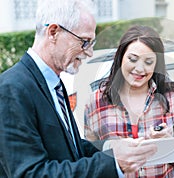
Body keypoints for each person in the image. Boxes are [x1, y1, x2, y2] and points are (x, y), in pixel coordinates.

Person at [0, 0, 157, 177]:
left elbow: (72, 147)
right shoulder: (11, 89)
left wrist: (114, 149)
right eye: (84, 41)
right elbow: (31, 173)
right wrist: (114, 163)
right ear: (53, 32)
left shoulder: (54, 83)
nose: (89, 52)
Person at [84, 25, 174, 178]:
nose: (139, 69)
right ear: (120, 57)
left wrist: (169, 144)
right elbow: (89, 156)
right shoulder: (96, 102)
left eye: (149, 62)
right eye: (133, 59)